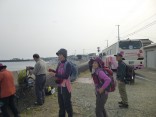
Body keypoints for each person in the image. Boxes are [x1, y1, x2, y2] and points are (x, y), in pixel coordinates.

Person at [50, 48, 73, 117]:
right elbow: (57, 72)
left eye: (60, 54)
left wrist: (55, 74)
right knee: (61, 104)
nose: (58, 56)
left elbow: (66, 76)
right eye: (58, 55)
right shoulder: (59, 63)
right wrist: (52, 71)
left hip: (66, 87)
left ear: (64, 55)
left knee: (67, 104)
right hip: (60, 86)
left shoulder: (68, 64)